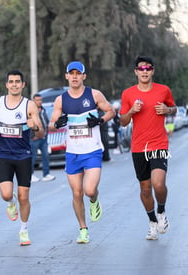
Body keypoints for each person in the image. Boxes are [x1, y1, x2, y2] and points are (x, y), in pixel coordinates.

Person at [48, 61, 115, 244]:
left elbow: (111, 110)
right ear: (67, 76)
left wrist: (100, 121)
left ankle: (94, 200)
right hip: (73, 153)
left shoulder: (93, 94)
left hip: (92, 150)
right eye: (72, 73)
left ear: (84, 76)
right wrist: (57, 124)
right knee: (77, 193)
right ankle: (83, 229)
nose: (75, 76)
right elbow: (52, 124)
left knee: (89, 190)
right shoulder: (61, 100)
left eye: (79, 73)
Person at [119, 56, 176, 240]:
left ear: (153, 71)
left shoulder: (163, 90)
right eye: (141, 68)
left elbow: (173, 107)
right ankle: (152, 222)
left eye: (148, 68)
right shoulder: (128, 94)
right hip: (138, 147)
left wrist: (167, 111)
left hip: (159, 143)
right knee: (145, 189)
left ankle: (161, 211)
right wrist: (131, 111)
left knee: (158, 184)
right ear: (136, 71)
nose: (144, 71)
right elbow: (122, 122)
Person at [0, 70, 45, 246]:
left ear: (23, 85)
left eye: (17, 82)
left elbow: (41, 132)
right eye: (11, 81)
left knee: (24, 196)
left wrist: (34, 126)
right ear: (6, 84)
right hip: (4, 154)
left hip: (23, 156)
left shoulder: (29, 106)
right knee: (6, 194)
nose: (14, 84)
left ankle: (23, 230)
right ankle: (10, 202)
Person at [30, 93, 55, 182]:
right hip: (34, 139)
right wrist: (33, 136)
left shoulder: (43, 110)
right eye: (37, 100)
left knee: (45, 156)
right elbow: (29, 125)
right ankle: (30, 175)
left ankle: (46, 174)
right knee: (33, 157)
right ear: (33, 101)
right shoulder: (30, 111)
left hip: (44, 138)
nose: (40, 102)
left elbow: (46, 122)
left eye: (41, 100)